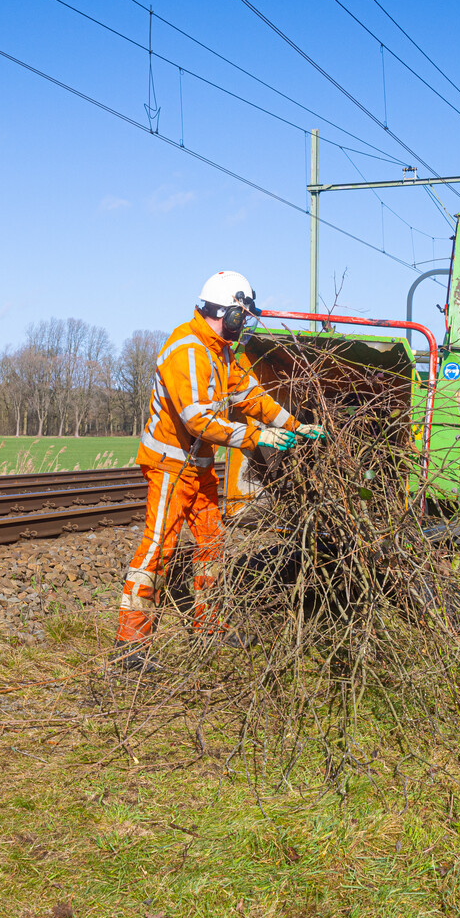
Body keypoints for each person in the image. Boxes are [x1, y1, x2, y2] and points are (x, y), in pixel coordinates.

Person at [112, 271, 323, 672]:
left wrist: (296, 426)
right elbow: (197, 420)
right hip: (171, 468)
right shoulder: (187, 351)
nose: (246, 325)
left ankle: (209, 625)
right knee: (158, 548)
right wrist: (256, 438)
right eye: (242, 316)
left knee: (213, 543)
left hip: (200, 467)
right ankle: (130, 645)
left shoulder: (223, 351)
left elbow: (252, 397)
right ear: (226, 313)